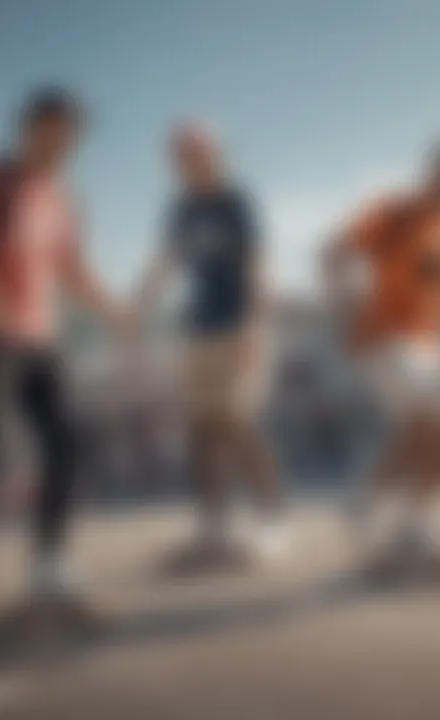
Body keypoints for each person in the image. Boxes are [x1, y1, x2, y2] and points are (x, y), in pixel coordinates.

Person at [0, 86, 129, 609]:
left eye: (70, 137)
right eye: (51, 132)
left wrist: (115, 311)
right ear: (28, 129)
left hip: (39, 342)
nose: (60, 145)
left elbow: (72, 269)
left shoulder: (63, 198)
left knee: (68, 442)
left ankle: (50, 567)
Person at [324, 139, 440, 578]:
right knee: (429, 422)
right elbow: (335, 253)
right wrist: (344, 313)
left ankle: (372, 507)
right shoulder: (395, 212)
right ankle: (407, 531)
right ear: (436, 173)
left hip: (435, 345)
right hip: (386, 335)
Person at [136, 122, 287, 562]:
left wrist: (254, 325)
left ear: (218, 155)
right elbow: (164, 263)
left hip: (237, 325)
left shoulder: (235, 202)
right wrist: (136, 311)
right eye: (181, 156)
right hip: (197, 328)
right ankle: (212, 530)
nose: (190, 162)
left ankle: (272, 519)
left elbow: (258, 262)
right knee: (200, 429)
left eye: (198, 153)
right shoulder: (180, 208)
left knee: (236, 421)